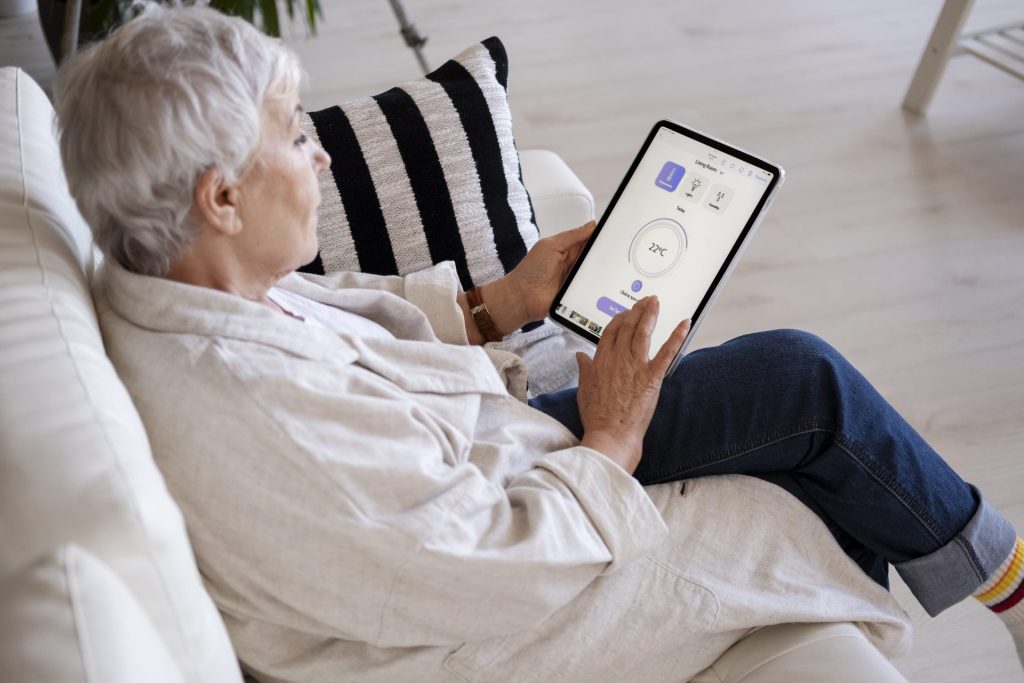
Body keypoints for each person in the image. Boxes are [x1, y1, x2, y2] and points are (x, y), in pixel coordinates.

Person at [54, 5, 1024, 682]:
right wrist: (609, 441)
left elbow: (337, 311)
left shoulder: (176, 282)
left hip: (490, 457)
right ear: (219, 198)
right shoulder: (250, 417)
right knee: (806, 439)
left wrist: (494, 299)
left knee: (796, 382)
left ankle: (1005, 580)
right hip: (499, 600)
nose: (320, 152)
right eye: (295, 133)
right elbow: (467, 572)